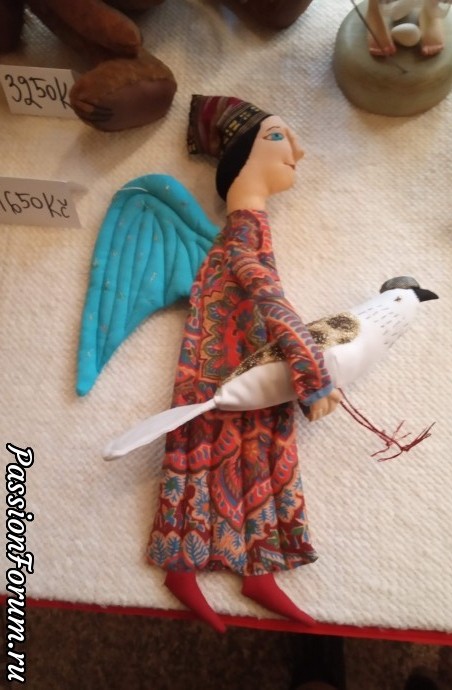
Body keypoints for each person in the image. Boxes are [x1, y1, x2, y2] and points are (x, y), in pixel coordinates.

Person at [146, 95, 341, 632]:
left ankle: (254, 567)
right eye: (279, 137)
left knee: (255, 446)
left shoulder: (246, 229)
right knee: (219, 446)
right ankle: (187, 565)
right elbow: (269, 296)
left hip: (237, 359)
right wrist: (312, 374)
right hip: (227, 364)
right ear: (242, 157)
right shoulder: (243, 232)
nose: (297, 151)